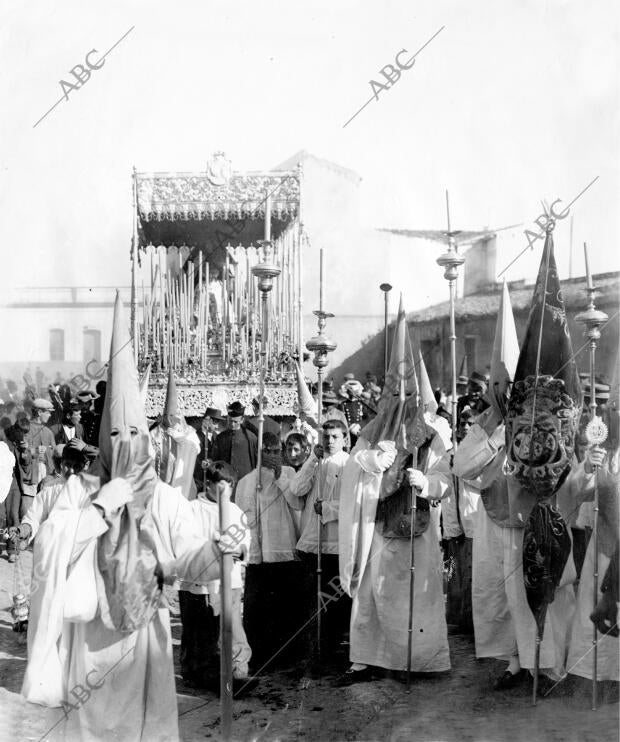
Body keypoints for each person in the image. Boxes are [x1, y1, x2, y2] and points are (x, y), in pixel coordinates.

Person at [21, 292, 240, 742]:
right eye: (115, 433)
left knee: (145, 727)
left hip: (145, 635)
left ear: (147, 439)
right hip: (92, 636)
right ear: (102, 438)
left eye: (135, 432)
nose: (125, 441)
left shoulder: (163, 497)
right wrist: (102, 506)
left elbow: (184, 559)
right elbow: (49, 546)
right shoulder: (81, 490)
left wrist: (217, 548)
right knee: (91, 727)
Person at [337, 301, 451, 685]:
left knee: (416, 595)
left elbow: (446, 479)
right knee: (374, 593)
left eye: (409, 396)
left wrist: (427, 483)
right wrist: (373, 461)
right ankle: (368, 659)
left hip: (418, 526)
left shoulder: (431, 433)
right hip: (381, 523)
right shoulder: (371, 431)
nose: (402, 404)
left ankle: (419, 661)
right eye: (395, 395)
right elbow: (353, 467)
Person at [178, 461, 253, 693]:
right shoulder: (191, 509)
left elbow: (244, 542)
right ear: (208, 484)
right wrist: (210, 545)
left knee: (230, 624)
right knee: (197, 627)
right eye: (221, 486)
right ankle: (194, 670)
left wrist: (239, 548)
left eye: (230, 486)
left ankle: (238, 668)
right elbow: (184, 540)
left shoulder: (235, 511)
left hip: (227, 580)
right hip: (197, 581)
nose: (226, 492)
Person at [235, 432, 304, 671]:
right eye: (268, 451)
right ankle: (259, 655)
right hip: (259, 554)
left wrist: (279, 479)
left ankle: (286, 656)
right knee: (258, 609)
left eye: (276, 451)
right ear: (259, 452)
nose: (273, 456)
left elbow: (297, 503)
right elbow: (243, 519)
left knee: (284, 608)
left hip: (284, 547)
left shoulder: (289, 473)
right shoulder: (247, 481)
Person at [288, 419, 350, 667]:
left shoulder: (350, 465)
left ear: (344, 439)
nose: (330, 441)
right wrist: (312, 460)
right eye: (327, 437)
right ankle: (313, 652)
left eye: (335, 436)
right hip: (313, 542)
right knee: (311, 601)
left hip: (336, 543)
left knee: (334, 602)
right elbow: (296, 488)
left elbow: (353, 504)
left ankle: (334, 652)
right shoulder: (316, 463)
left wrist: (328, 508)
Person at [211, 401, 258, 484]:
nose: (232, 424)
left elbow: (256, 462)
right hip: (225, 482)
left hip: (245, 481)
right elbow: (215, 460)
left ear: (242, 420)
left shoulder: (251, 438)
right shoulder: (220, 438)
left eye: (235, 422)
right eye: (230, 421)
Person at [22, 398, 55, 511]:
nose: (50, 415)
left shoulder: (49, 432)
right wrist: (35, 451)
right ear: (39, 412)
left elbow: (54, 455)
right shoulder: (25, 429)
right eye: (48, 412)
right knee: (28, 510)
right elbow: (21, 454)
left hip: (47, 475)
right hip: (29, 475)